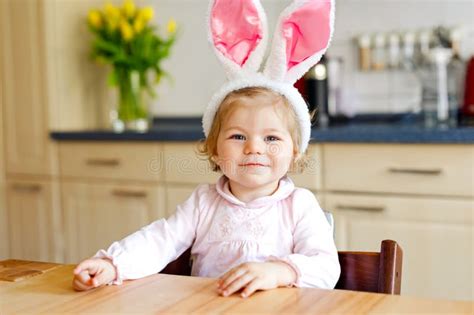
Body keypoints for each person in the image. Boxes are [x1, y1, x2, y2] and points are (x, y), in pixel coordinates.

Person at [73, 0, 339, 298]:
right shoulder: (203, 203)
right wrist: (113, 265)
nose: (254, 148)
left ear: (295, 153)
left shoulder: (299, 206)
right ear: (213, 149)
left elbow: (326, 267)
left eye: (272, 139)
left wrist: (280, 272)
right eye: (238, 137)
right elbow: (160, 240)